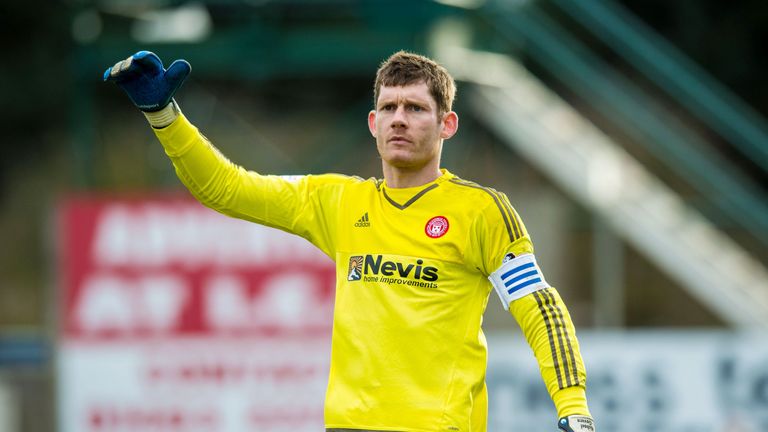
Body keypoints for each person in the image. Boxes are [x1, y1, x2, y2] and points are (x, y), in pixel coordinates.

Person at [104, 50, 595, 432]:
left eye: (416, 108)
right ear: (372, 123)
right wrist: (163, 115)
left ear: (447, 124)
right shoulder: (337, 201)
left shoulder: (482, 211)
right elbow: (226, 187)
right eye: (389, 107)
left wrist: (572, 405)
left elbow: (539, 306)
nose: (399, 118)